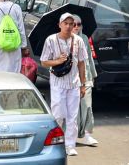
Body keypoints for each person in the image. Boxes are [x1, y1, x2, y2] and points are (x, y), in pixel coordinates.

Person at [40, 12, 88, 158]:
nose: (68, 26)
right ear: (60, 25)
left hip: (74, 83)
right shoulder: (51, 40)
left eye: (71, 24)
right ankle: (57, 143)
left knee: (73, 116)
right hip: (58, 83)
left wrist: (83, 84)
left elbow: (81, 63)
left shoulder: (78, 41)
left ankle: (70, 145)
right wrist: (58, 61)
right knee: (58, 114)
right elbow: (44, 61)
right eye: (65, 23)